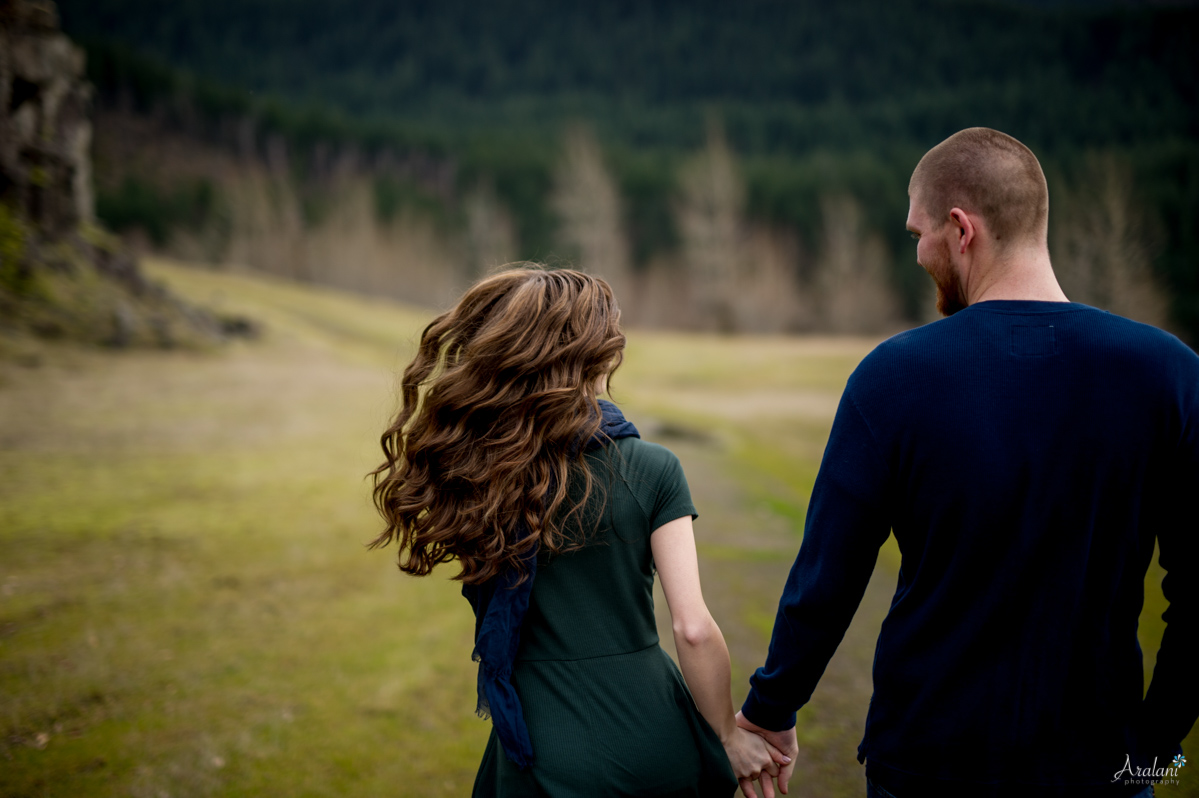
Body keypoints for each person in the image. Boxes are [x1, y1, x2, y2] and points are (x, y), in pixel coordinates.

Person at [735, 128, 1199, 797]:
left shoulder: (892, 377)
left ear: (960, 229)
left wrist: (769, 712)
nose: (917, 252)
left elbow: (827, 577)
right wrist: (1151, 754)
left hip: (926, 767)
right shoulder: (1169, 376)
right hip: (1099, 773)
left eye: (917, 232)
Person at [368, 267, 789, 797]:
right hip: (653, 732)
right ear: (601, 355)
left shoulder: (482, 473)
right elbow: (693, 629)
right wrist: (728, 734)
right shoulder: (653, 468)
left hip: (540, 748)